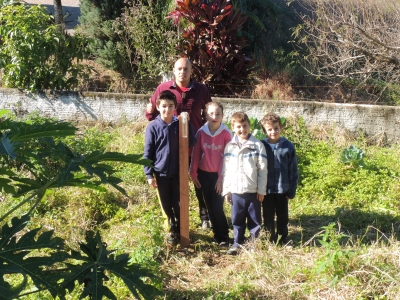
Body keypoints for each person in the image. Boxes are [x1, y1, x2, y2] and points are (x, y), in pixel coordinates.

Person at [145, 57, 212, 230]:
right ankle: (174, 222)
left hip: (194, 147)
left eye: (186, 69)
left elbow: (208, 114)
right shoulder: (163, 88)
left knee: (199, 182)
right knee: (172, 189)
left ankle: (205, 216)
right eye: (179, 69)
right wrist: (148, 112)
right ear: (174, 71)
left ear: (191, 71)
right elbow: (153, 114)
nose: (182, 72)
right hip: (171, 152)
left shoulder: (201, 90)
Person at [143, 90, 195, 245]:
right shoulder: (153, 127)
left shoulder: (179, 124)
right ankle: (171, 228)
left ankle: (181, 228)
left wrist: (188, 124)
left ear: (175, 107)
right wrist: (149, 175)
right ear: (158, 107)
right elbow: (148, 152)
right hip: (161, 173)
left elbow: (191, 142)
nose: (167, 109)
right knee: (166, 203)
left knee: (179, 203)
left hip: (179, 172)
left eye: (171, 106)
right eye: (164, 106)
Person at [222, 112, 268, 255]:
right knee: (237, 218)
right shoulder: (229, 146)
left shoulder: (257, 145)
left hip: (252, 190)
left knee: (254, 219)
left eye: (245, 126)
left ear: (250, 126)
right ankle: (238, 242)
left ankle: (254, 243)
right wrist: (227, 190)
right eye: (238, 127)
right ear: (233, 128)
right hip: (236, 191)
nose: (242, 129)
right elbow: (226, 170)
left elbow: (262, 169)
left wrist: (261, 190)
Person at [189, 102, 231, 248]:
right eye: (211, 114)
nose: (214, 116)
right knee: (209, 206)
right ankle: (216, 236)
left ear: (222, 116)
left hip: (219, 176)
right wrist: (193, 173)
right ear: (206, 115)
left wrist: (220, 179)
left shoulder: (226, 134)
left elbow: (227, 158)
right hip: (203, 175)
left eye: (218, 114)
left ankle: (224, 236)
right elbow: (195, 154)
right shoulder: (201, 132)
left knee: (218, 207)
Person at [260, 113, 298, 245]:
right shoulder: (261, 146)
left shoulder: (288, 146)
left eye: (276, 128)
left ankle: (283, 239)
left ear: (280, 127)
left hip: (283, 188)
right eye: (269, 129)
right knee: (268, 216)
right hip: (266, 189)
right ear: (264, 130)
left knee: (283, 216)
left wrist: (291, 189)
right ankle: (271, 239)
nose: (273, 132)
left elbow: (293, 170)